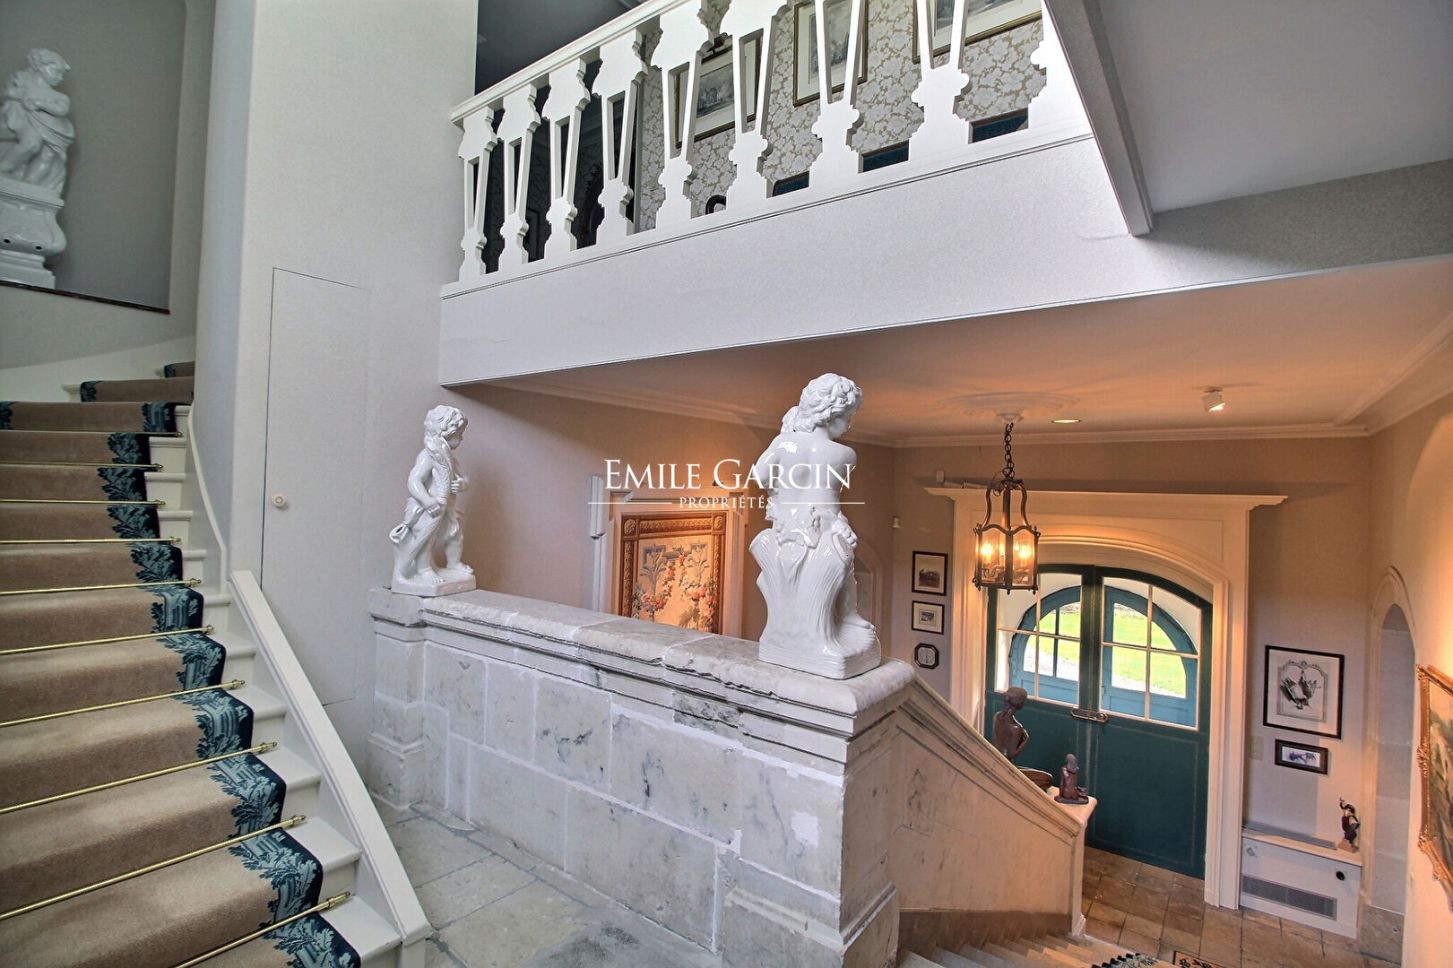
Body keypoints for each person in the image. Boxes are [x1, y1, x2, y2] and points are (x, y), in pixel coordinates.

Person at [750, 374, 878, 678]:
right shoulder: (845, 454)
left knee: (831, 575)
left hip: (785, 528)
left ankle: (825, 629)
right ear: (831, 413)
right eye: (848, 417)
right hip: (827, 526)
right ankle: (848, 615)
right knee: (846, 573)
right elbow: (829, 492)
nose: (850, 425)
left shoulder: (784, 443)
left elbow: (759, 476)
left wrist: (786, 436)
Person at [390, 406, 472, 592]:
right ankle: (424, 569)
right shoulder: (429, 455)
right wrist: (427, 501)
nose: (461, 439)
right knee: (426, 540)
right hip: (430, 508)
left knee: (455, 535)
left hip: (447, 507)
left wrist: (462, 484)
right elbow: (414, 480)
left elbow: (464, 478)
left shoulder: (450, 458)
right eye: (459, 434)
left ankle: (453, 564)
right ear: (446, 432)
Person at [0, 49, 74, 191]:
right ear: (39, 67)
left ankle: (30, 185)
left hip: (51, 127)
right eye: (56, 72)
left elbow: (62, 109)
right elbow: (4, 94)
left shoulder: (58, 96)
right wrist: (14, 93)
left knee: (48, 155)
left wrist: (39, 103)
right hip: (22, 119)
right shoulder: (21, 79)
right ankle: (4, 168)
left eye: (61, 74)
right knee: (31, 143)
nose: (60, 78)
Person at [993, 686, 1030, 761]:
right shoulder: (1016, 728)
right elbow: (1011, 754)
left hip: (994, 756)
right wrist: (1025, 741)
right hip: (1005, 762)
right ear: (1020, 704)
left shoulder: (997, 716)